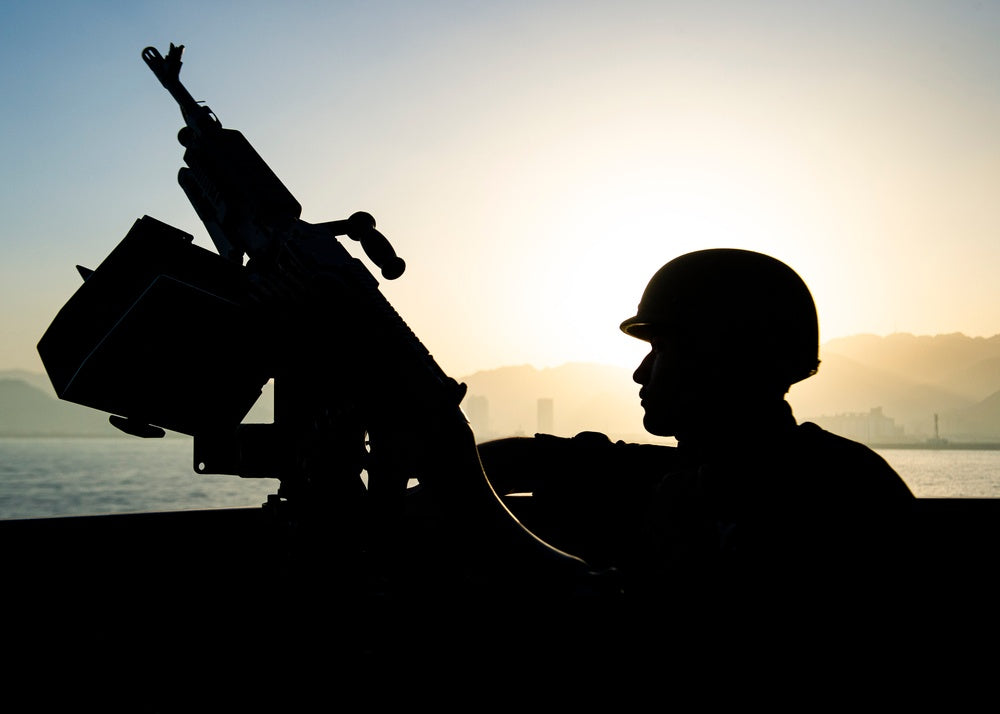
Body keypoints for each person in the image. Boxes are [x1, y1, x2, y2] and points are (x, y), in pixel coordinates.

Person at [478, 248, 915, 605]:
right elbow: (539, 459)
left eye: (661, 350)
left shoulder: (834, 493)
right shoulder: (713, 469)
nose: (640, 373)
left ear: (724, 358)